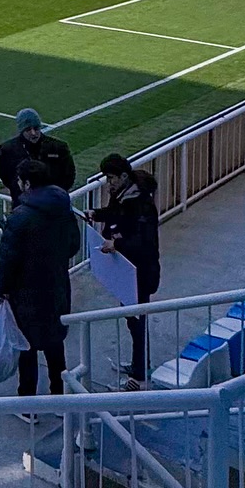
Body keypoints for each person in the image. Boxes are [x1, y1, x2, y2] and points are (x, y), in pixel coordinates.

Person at [0, 157, 81, 397]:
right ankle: (59, 396)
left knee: (27, 347)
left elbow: (8, 259)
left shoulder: (21, 216)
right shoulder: (63, 206)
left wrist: (0, 288)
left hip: (27, 291)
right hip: (56, 284)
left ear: (28, 184)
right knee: (54, 343)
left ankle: (28, 401)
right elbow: (74, 244)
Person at [89, 153, 161, 385]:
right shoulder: (121, 195)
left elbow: (144, 241)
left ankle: (138, 375)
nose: (109, 183)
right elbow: (114, 215)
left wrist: (117, 243)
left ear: (123, 176)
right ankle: (139, 364)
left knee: (137, 321)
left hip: (140, 270)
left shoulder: (141, 203)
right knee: (132, 319)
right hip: (128, 270)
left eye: (111, 178)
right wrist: (96, 214)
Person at [0, 107, 75, 204]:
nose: (33, 133)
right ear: (21, 130)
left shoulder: (58, 147)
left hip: (53, 204)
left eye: (36, 128)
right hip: (23, 204)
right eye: (28, 129)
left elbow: (69, 176)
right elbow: (6, 177)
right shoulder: (7, 150)